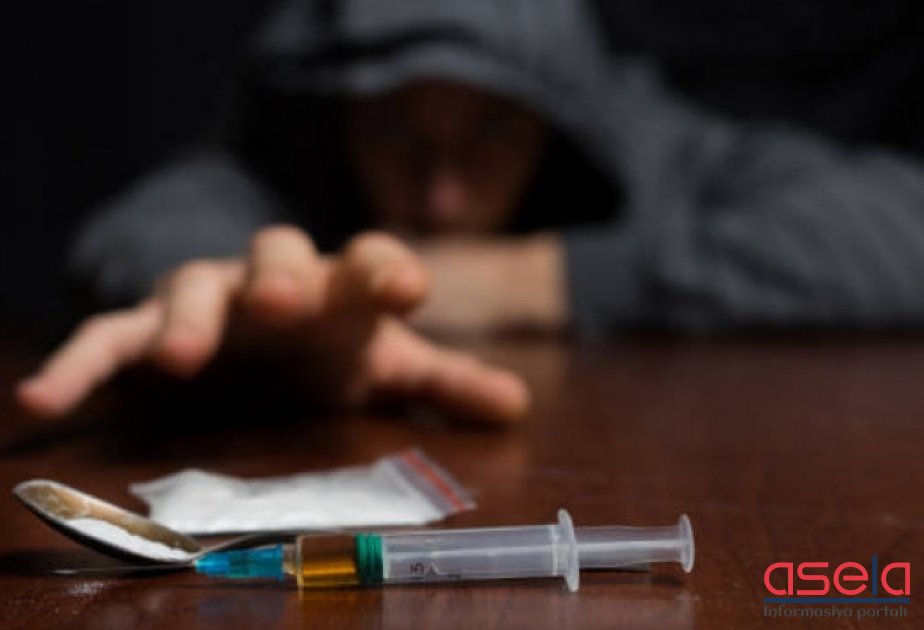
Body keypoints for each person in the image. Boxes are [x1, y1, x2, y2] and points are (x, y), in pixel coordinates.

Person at [16, 0, 924, 424]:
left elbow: (905, 226)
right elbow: (151, 225)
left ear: (554, 130)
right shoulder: (289, 156)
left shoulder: (635, 142)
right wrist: (242, 300)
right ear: (340, 117)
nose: (441, 194)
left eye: (490, 133)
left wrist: (535, 279)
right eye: (397, 132)